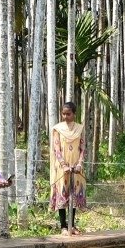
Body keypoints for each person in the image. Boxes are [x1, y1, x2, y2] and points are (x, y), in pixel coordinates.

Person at [50, 101, 87, 236]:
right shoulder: (57, 129)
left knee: (74, 194)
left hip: (76, 167)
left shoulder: (79, 129)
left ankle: (72, 224)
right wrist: (63, 165)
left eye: (68, 114)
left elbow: (82, 148)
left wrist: (79, 163)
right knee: (63, 194)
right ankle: (63, 226)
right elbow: (56, 149)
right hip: (62, 168)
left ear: (74, 114)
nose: (65, 116)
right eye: (63, 114)